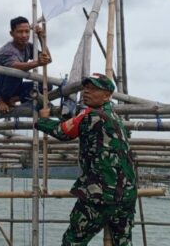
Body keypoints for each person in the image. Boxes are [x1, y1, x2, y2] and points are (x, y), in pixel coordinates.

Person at [35, 73, 136, 246]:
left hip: (101, 195)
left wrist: (42, 120)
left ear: (107, 95)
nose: (87, 92)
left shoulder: (91, 115)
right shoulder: (117, 119)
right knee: (123, 242)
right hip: (127, 194)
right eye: (86, 88)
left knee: (73, 241)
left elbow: (62, 132)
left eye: (94, 89)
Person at [0, 16, 52, 113]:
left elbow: (48, 59)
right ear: (12, 33)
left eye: (27, 31)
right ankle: (1, 100)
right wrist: (37, 62)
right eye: (20, 32)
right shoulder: (8, 50)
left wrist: (41, 37)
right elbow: (15, 66)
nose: (24, 35)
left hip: (14, 86)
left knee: (47, 85)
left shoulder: (28, 46)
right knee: (16, 73)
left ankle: (11, 99)